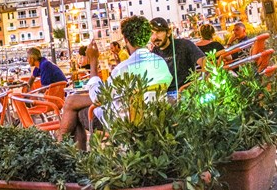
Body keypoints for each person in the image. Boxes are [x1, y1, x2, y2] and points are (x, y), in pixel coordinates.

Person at [58, 16, 172, 150]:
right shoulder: (160, 62)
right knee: (72, 102)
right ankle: (64, 149)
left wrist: (93, 62)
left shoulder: (124, 68)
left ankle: (70, 155)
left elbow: (99, 97)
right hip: (153, 117)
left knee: (75, 110)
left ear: (126, 39)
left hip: (123, 123)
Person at [149, 17, 205, 93]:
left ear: (168, 32)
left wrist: (198, 82)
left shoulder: (184, 45)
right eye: (152, 33)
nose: (155, 37)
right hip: (165, 97)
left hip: (188, 93)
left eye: (159, 32)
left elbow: (205, 63)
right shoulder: (152, 54)